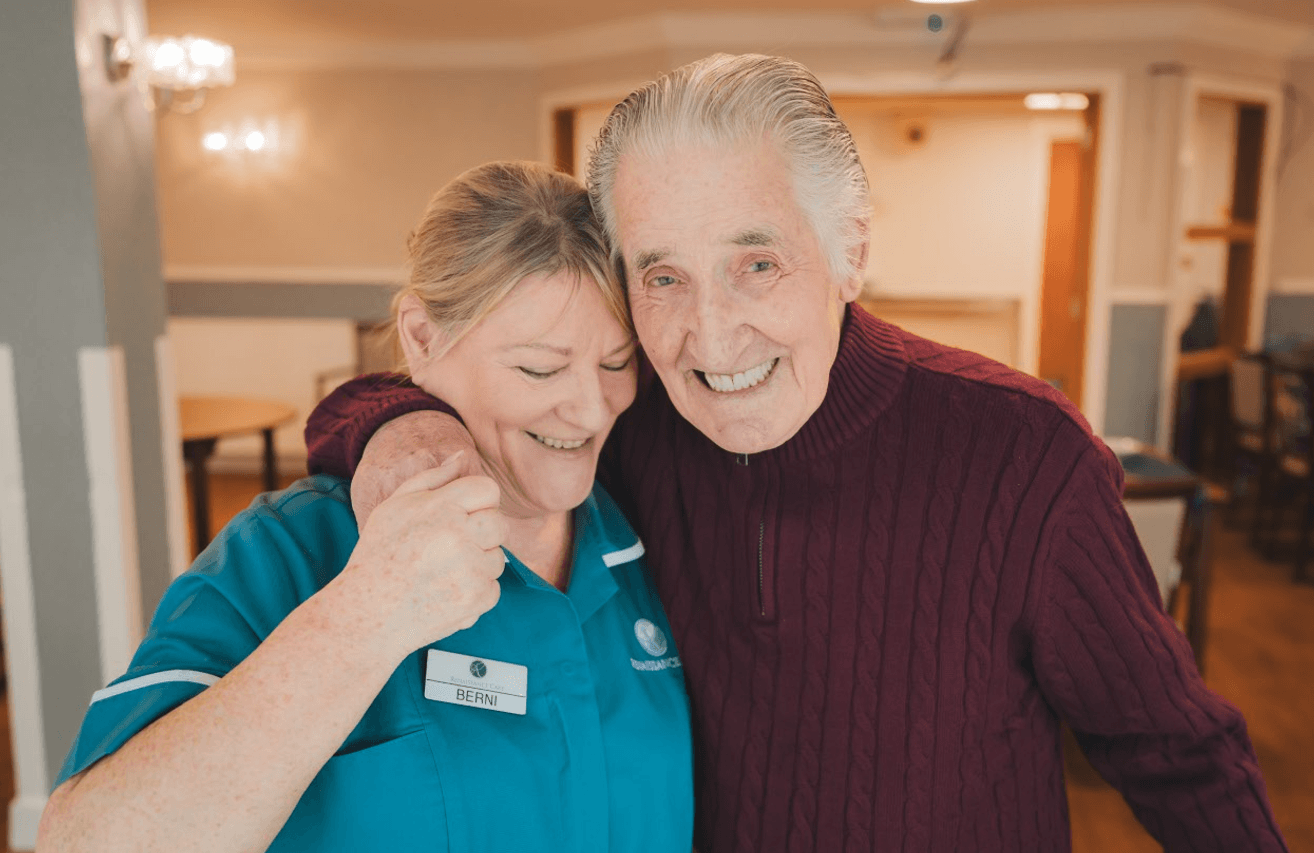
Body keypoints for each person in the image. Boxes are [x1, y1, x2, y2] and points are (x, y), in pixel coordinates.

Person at [305, 55, 1288, 852]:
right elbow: (427, 390)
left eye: (757, 263)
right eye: (663, 276)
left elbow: (1181, 757)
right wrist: (405, 423)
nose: (712, 337)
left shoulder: (1024, 454)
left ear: (850, 251)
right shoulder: (629, 426)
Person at [36, 161, 694, 853]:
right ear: (421, 336)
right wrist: (367, 617)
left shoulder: (649, 535)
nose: (592, 408)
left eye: (617, 363)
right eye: (539, 367)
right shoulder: (294, 549)